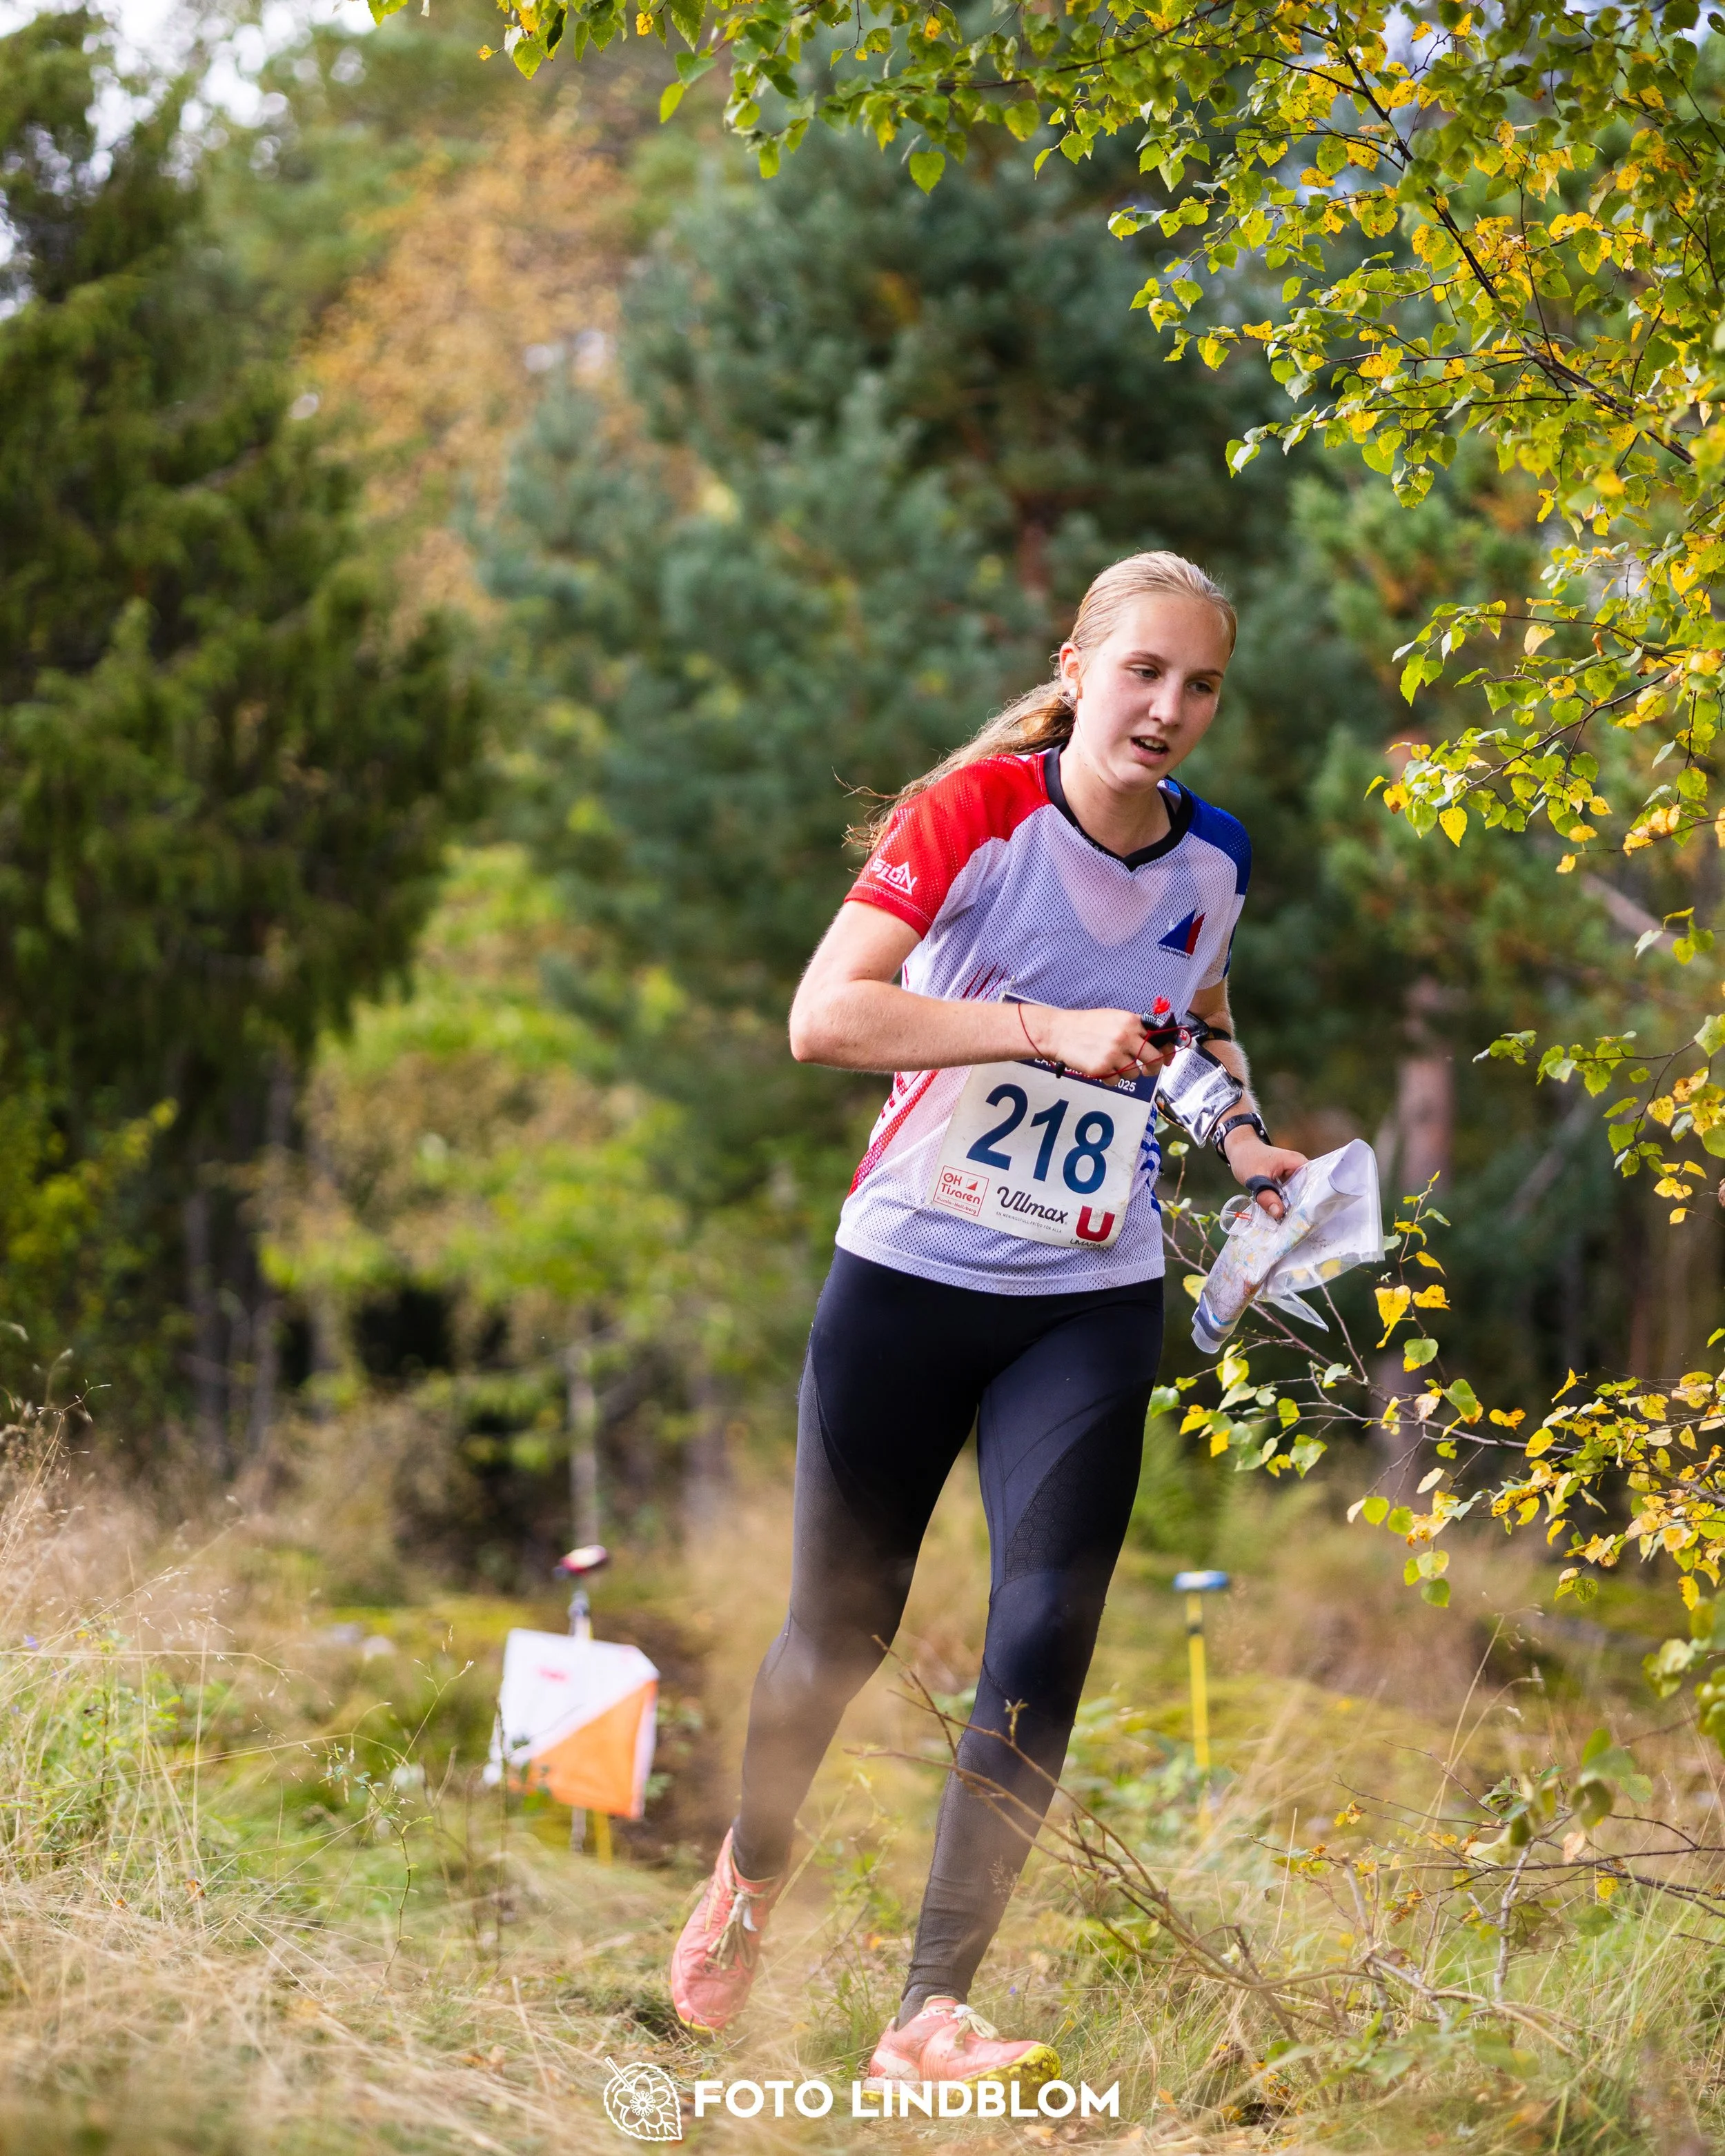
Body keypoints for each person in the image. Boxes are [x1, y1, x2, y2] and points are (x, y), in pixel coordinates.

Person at [668, 550, 1307, 2090]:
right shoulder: (973, 813)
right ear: (1076, 669)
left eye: (1201, 685)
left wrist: (1240, 1137)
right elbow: (825, 1016)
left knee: (1048, 1622)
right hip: (908, 1271)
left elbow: (1199, 1016)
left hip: (1086, 1289)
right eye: (1142, 671)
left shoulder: (1215, 856)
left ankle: (928, 2010)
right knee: (839, 1630)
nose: (1167, 708)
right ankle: (750, 1867)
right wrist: (1042, 1030)